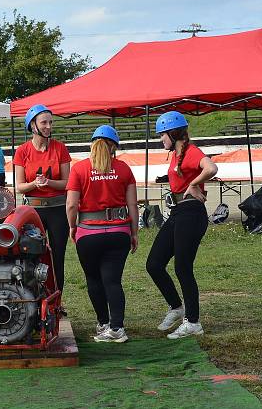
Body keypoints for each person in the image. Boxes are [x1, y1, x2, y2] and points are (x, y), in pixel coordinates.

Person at [146, 111, 218, 339]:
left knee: (182, 267)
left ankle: (193, 322)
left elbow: (212, 168)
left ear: (173, 133)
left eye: (162, 135)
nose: (161, 140)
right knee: (154, 264)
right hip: (179, 212)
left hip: (191, 213)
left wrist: (194, 184)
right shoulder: (177, 154)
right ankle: (177, 307)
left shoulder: (191, 151)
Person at [66, 126, 138, 343]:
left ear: (92, 145)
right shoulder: (124, 169)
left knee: (93, 279)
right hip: (119, 232)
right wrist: (134, 232)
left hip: (88, 234)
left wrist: (72, 226)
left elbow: (71, 205)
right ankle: (117, 328)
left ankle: (103, 323)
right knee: (113, 281)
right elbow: (132, 204)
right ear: (113, 147)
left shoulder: (79, 169)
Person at [14, 104, 71, 295]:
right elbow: (19, 186)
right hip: (33, 211)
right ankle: (33, 298)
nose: (48, 126)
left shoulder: (60, 148)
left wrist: (48, 182)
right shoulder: (22, 151)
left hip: (57, 209)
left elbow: (66, 183)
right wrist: (34, 185)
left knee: (57, 256)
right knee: (31, 254)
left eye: (50, 122)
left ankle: (57, 298)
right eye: (44, 122)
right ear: (32, 125)